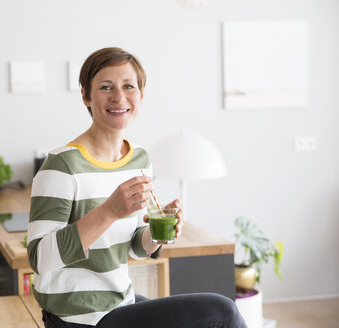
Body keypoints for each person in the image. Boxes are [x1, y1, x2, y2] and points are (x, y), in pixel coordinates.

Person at [27, 47, 246, 328]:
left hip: (118, 304)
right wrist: (108, 211)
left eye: (128, 86)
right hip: (78, 319)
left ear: (141, 96)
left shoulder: (139, 159)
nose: (119, 97)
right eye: (106, 87)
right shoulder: (61, 166)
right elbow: (40, 259)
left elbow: (131, 249)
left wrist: (157, 234)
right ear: (85, 96)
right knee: (222, 312)